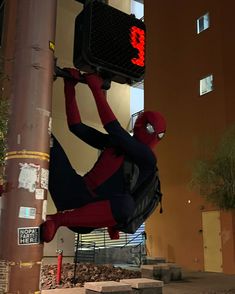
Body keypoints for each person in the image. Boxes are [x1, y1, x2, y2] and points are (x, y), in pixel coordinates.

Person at [40, 68, 166, 242]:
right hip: (72, 190)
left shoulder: (147, 159)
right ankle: (12, 185)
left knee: (125, 205)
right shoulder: (115, 143)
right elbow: (76, 126)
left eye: (154, 131)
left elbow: (113, 128)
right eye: (149, 127)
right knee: (43, 135)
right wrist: (70, 87)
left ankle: (57, 220)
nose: (149, 132)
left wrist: (96, 89)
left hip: (87, 212)